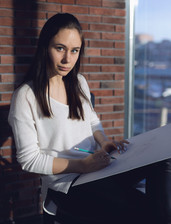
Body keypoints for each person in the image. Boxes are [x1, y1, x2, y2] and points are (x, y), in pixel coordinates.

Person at [8, 13, 171, 224]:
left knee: (162, 160)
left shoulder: (78, 82)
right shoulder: (26, 96)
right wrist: (83, 166)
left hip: (97, 167)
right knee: (144, 208)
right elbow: (30, 160)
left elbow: (92, 120)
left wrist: (104, 142)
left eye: (74, 51)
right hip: (67, 183)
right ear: (45, 47)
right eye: (60, 48)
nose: (68, 59)